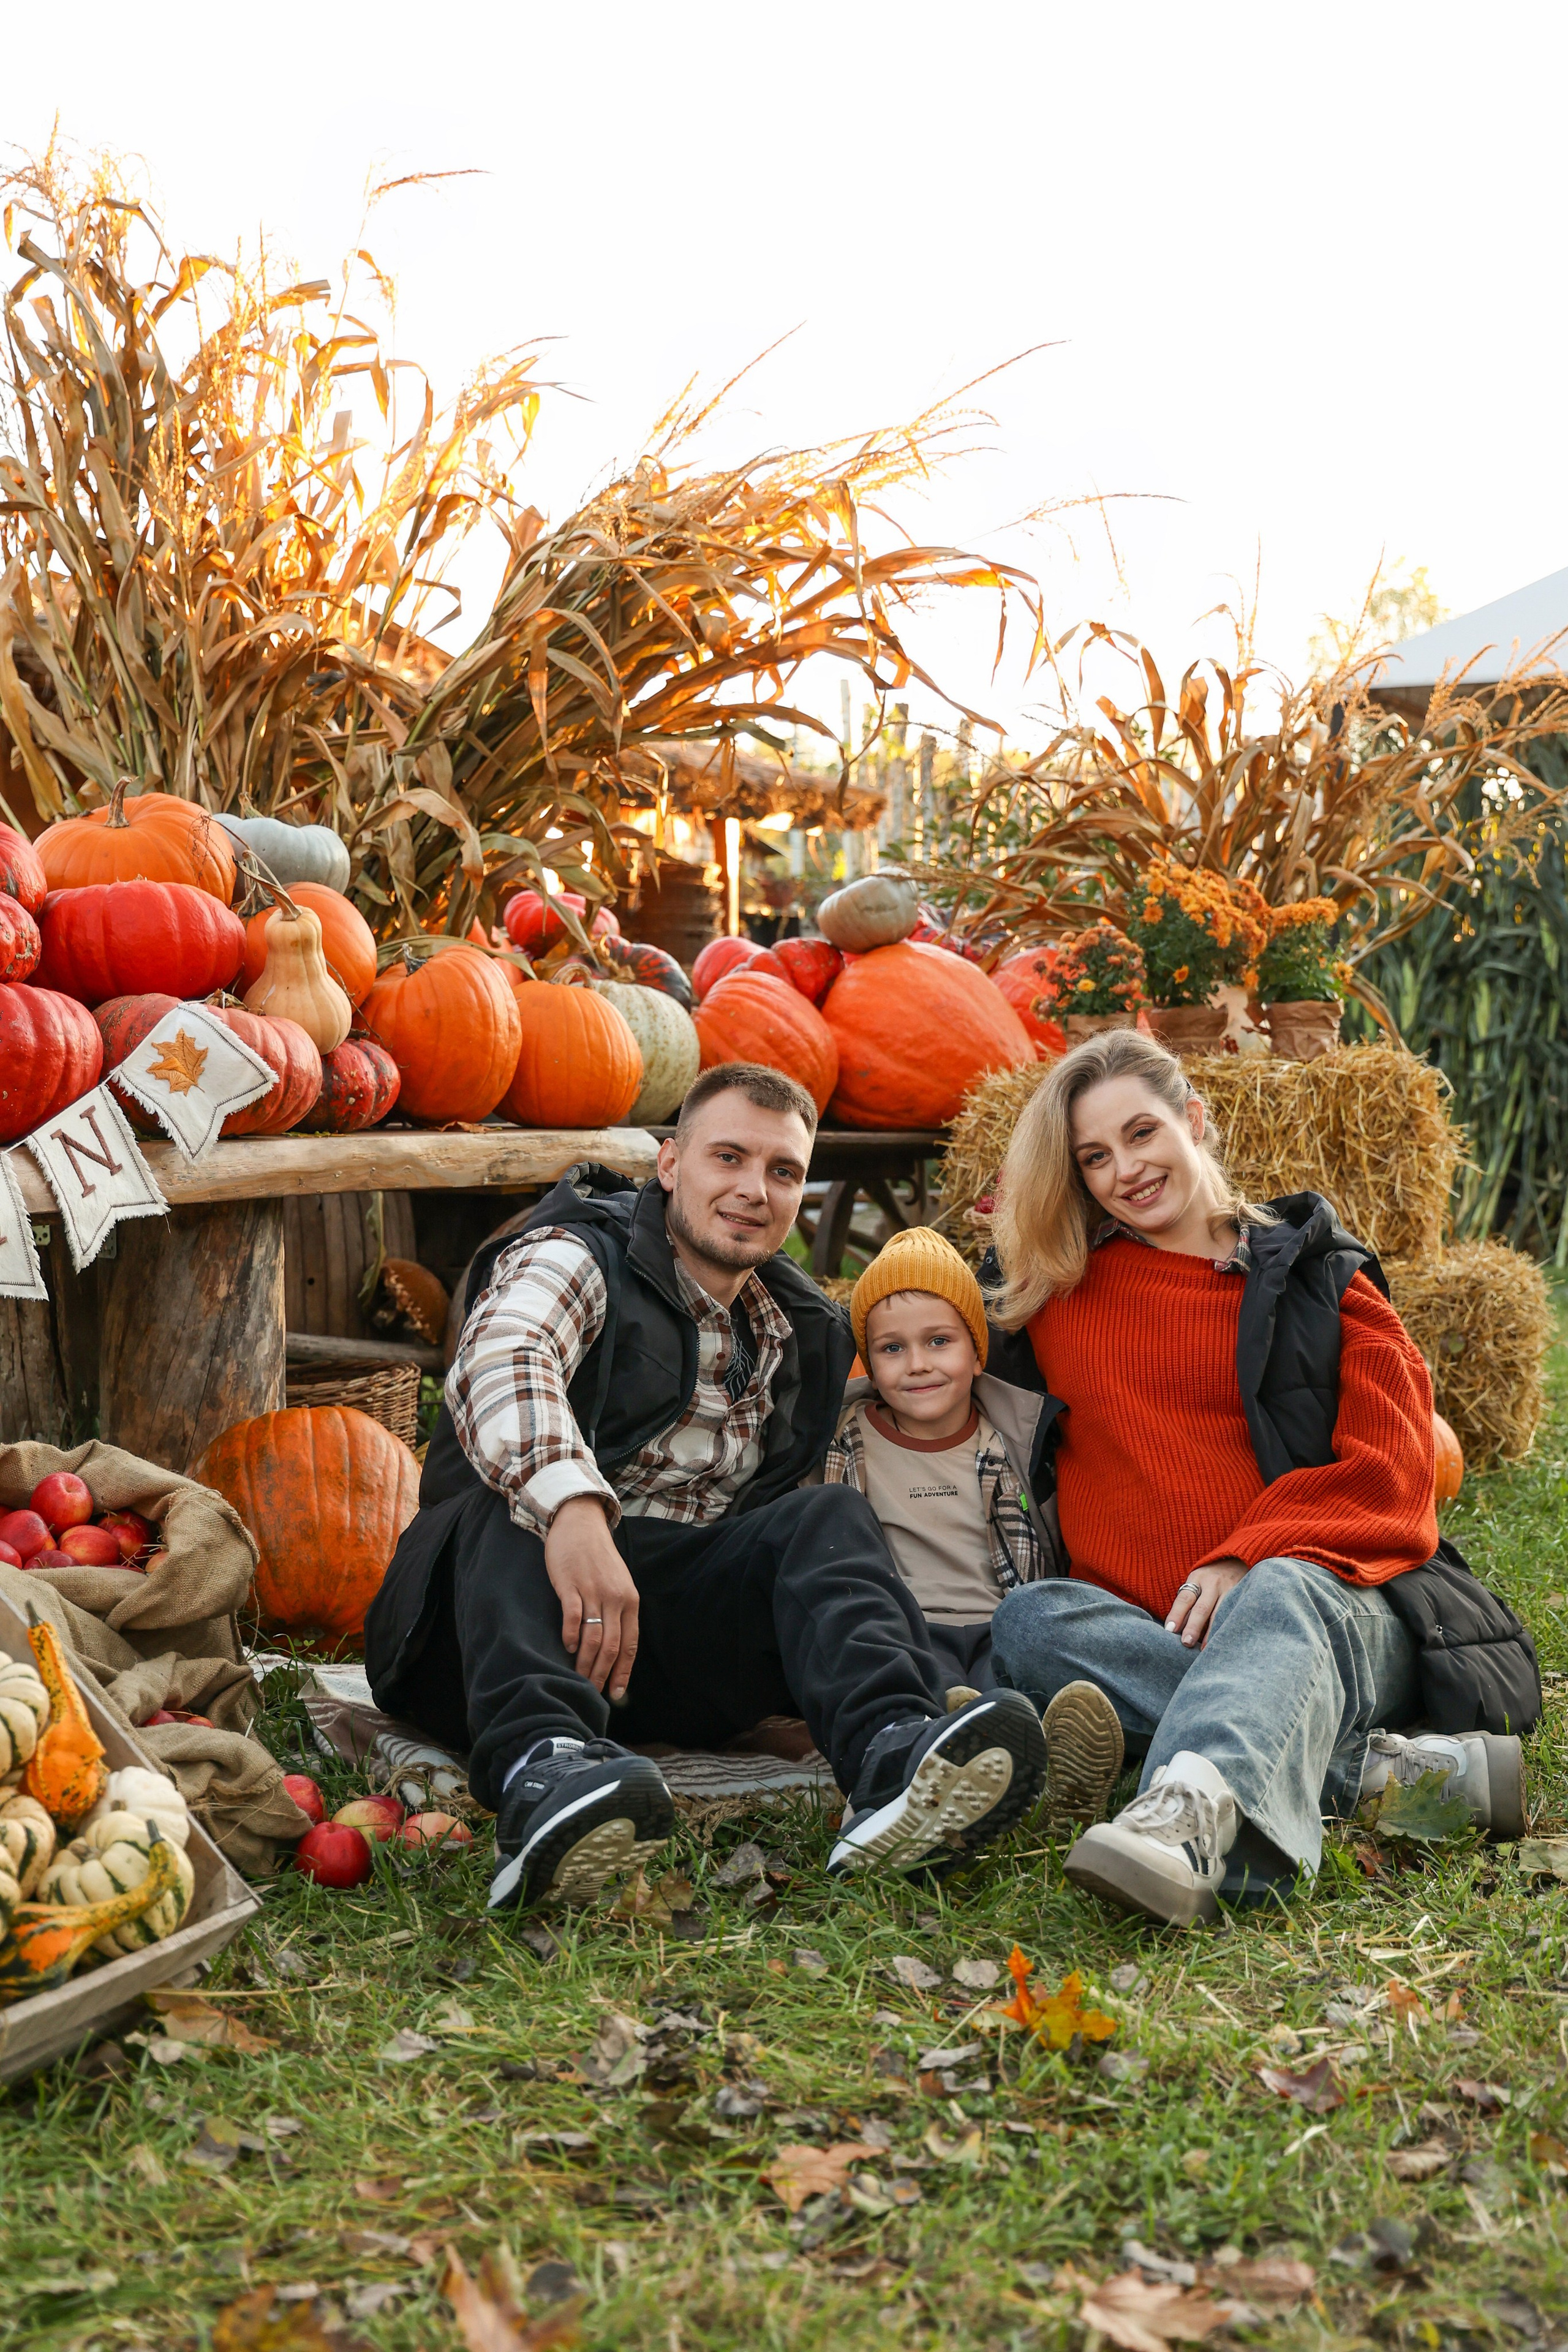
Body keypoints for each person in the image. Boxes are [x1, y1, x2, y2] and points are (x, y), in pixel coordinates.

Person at [364, 1061, 1046, 1913]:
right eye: (729, 1157)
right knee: (511, 1513)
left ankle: (895, 1757)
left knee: (825, 1516)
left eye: (783, 1171)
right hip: (484, 1636)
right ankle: (549, 1778)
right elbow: (503, 1356)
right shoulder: (578, 1253)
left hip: (649, 1647)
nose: (754, 1189)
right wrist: (574, 1511)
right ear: (670, 1163)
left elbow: (805, 1531)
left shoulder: (801, 1331)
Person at [979, 1028, 1537, 1929]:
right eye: (1094, 1157)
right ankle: (1388, 1782)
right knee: (1031, 1622)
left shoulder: (1324, 1282)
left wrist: (1251, 1552)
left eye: (1142, 1132)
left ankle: (1187, 1819)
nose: (1126, 1168)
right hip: (1150, 1634)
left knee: (1278, 1590)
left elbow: (1398, 1477)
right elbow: (913, 1337)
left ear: (1195, 1120)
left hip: (1335, 1613)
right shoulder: (1056, 1295)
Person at [821, 1227, 1059, 1700]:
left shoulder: (1012, 1438)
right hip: (909, 1626)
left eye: (939, 1342)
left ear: (976, 1354)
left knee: (1018, 1677)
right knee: (925, 1677)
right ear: (867, 1361)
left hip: (1003, 1625)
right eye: (892, 1348)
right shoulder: (845, 1440)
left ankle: (1021, 1721)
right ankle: (959, 1722)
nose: (917, 1364)